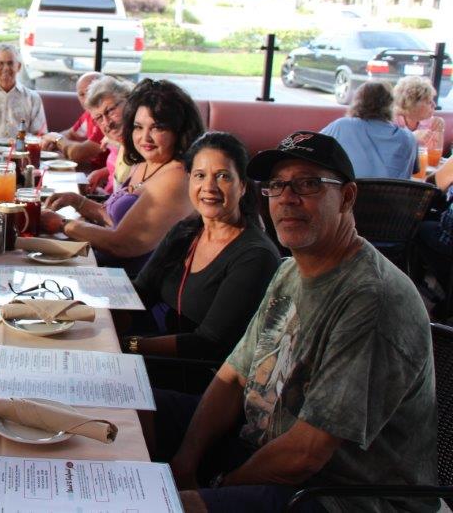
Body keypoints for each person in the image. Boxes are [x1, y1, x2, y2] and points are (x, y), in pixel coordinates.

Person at [155, 131, 436, 513]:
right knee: (135, 409)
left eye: (308, 184)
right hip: (262, 440)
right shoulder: (290, 269)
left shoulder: (373, 299)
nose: (287, 198)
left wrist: (219, 486)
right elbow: (233, 376)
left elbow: (306, 453)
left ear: (348, 197)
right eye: (276, 185)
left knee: (175, 507)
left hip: (339, 495)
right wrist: (185, 462)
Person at [121, 132, 280, 366]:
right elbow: (142, 290)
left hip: (197, 374)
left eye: (223, 176)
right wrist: (91, 318)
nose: (209, 187)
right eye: (200, 175)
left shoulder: (255, 256)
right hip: (151, 348)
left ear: (243, 186)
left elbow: (209, 344)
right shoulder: (186, 232)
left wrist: (128, 346)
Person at [41, 79, 204, 277]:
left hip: (131, 288)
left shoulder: (177, 178)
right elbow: (116, 218)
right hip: (103, 267)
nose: (145, 138)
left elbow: (122, 244)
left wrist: (62, 224)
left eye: (157, 127)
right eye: (138, 127)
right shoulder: (146, 162)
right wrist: (78, 201)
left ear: (179, 129)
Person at [320, 81, 415, 178]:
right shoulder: (408, 137)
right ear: (391, 104)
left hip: (352, 192)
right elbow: (415, 172)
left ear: (357, 102)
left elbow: (312, 148)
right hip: (394, 193)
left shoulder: (342, 126)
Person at [41, 71, 109, 166]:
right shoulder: (88, 114)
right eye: (81, 94)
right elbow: (71, 134)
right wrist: (52, 141)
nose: (87, 99)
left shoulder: (106, 118)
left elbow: (78, 154)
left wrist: (57, 139)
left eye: (90, 91)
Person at [394, 75, 444, 151]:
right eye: (429, 102)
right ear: (412, 104)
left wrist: (439, 131)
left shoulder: (430, 122)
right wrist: (412, 136)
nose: (434, 105)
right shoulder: (390, 122)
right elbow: (387, 152)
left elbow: (434, 154)